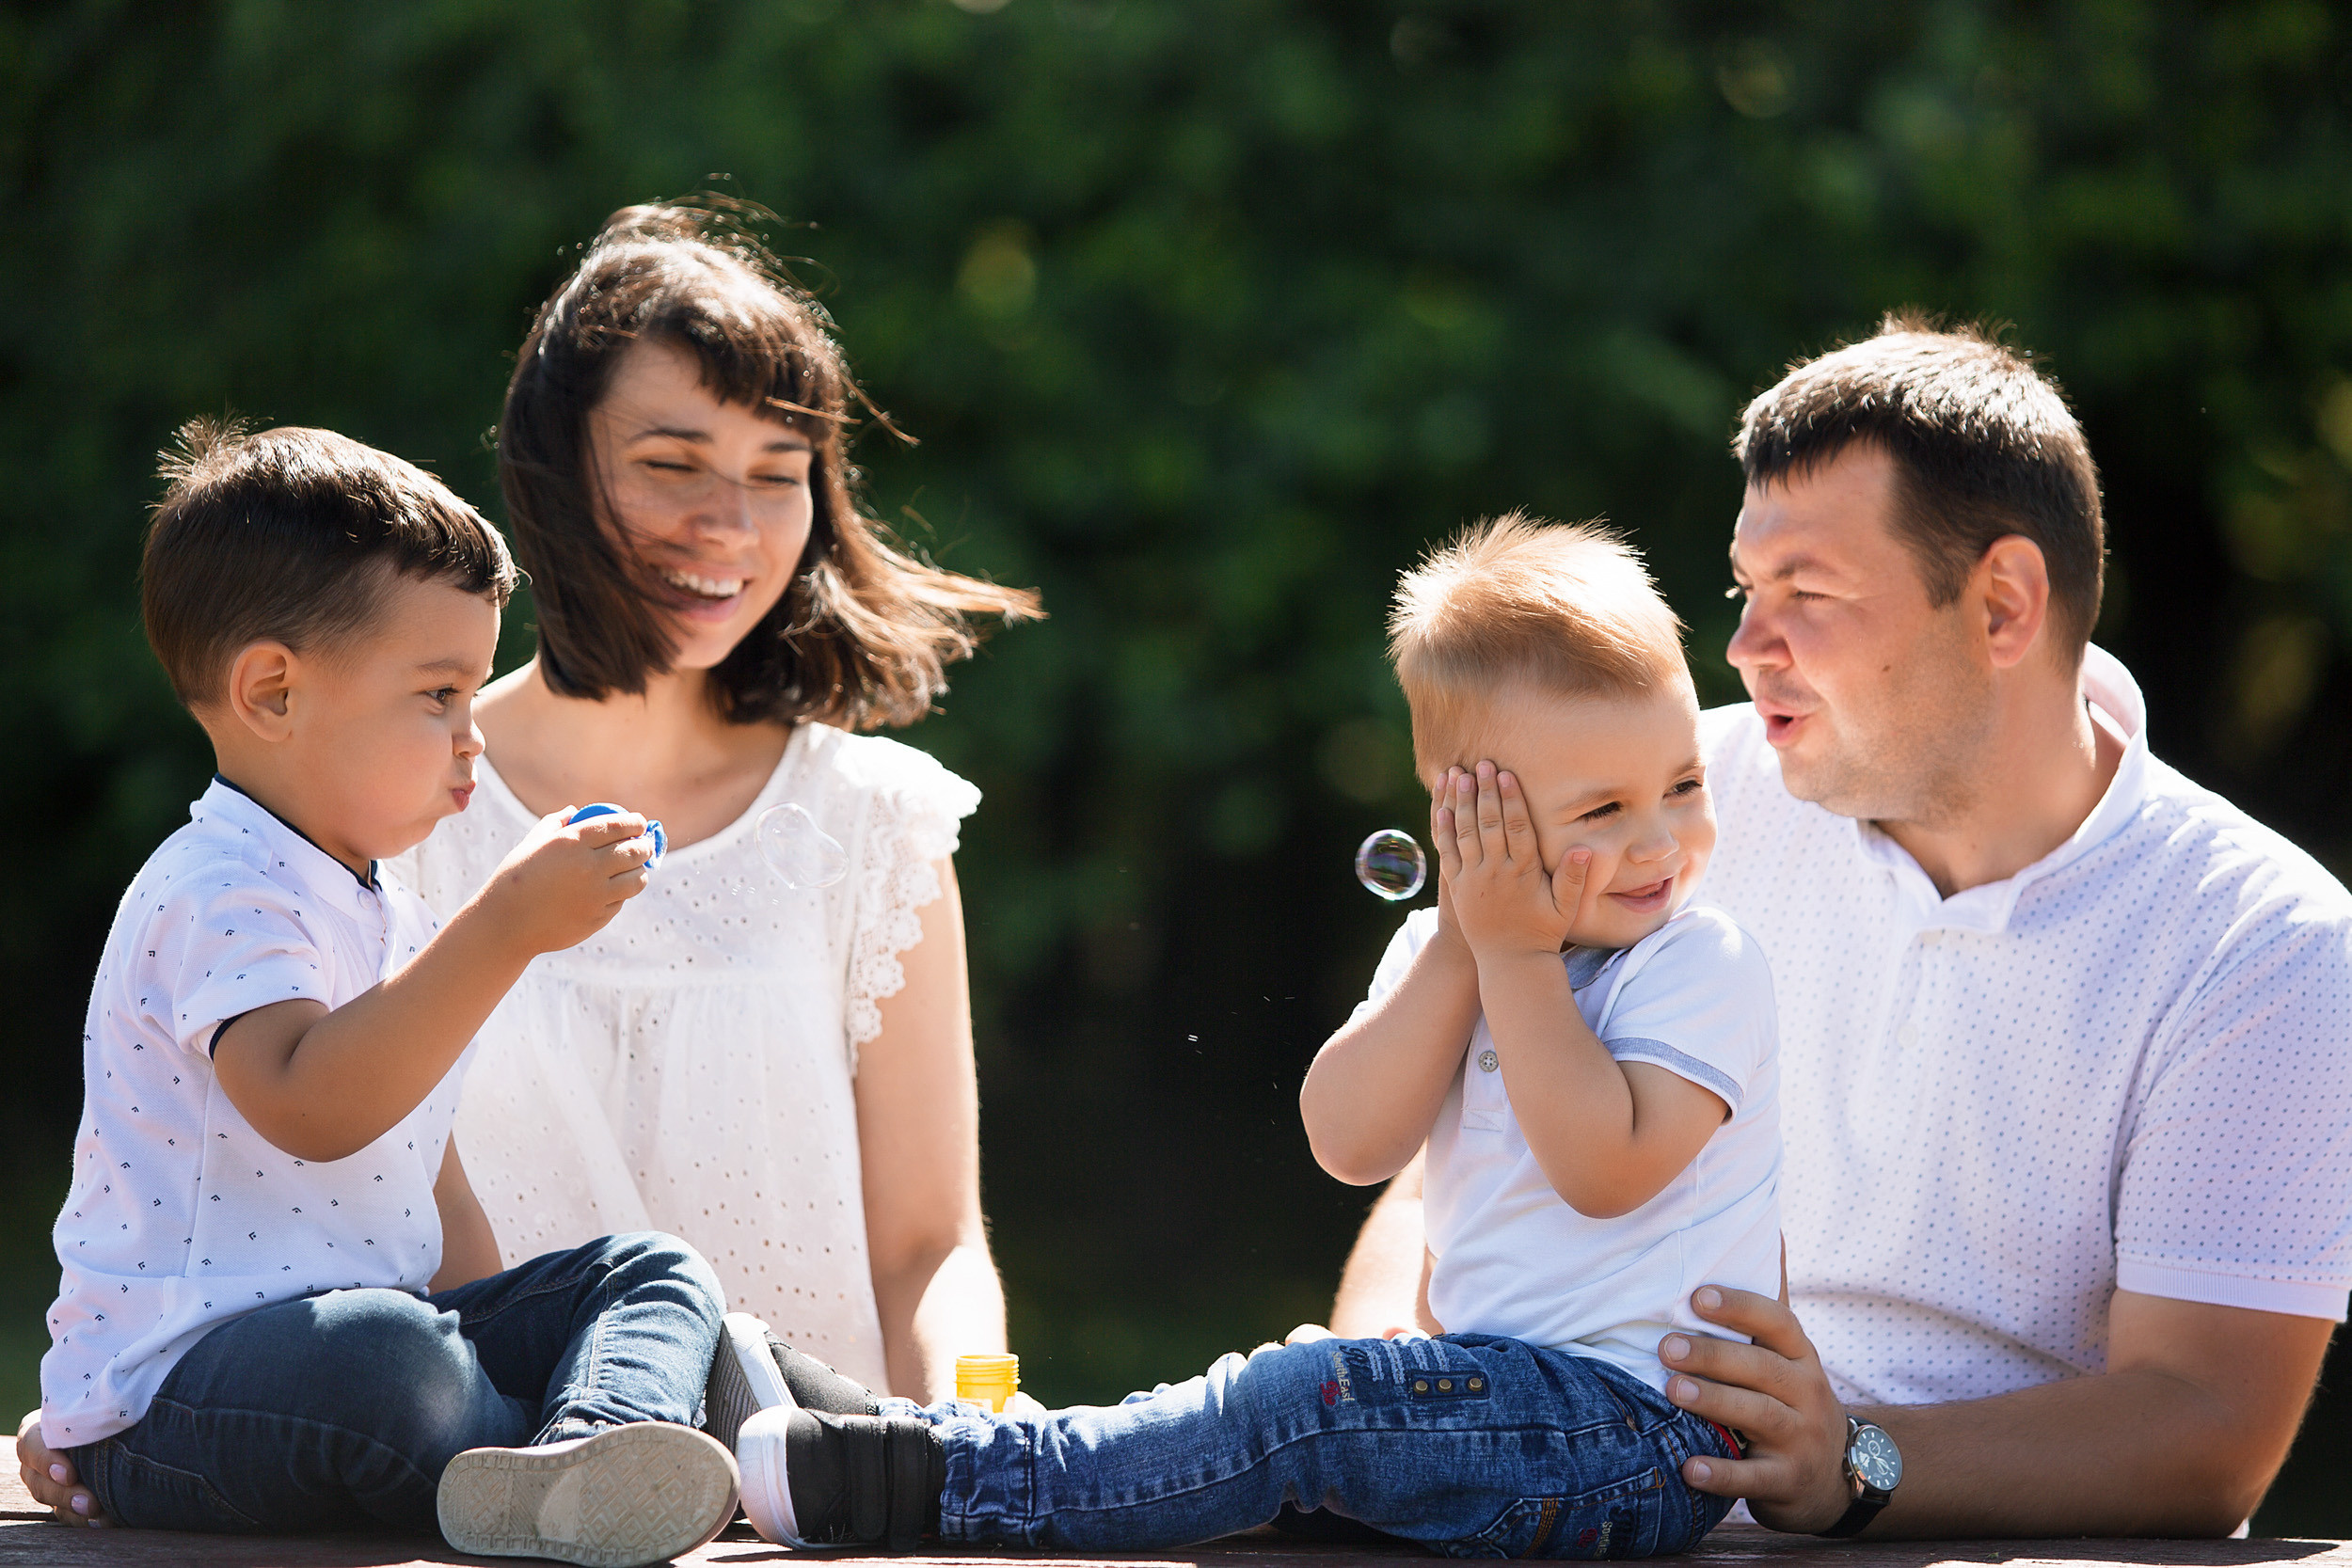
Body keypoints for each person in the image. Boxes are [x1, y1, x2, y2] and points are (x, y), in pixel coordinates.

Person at [20, 198, 1039, 1527]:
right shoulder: (372, 798)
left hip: (764, 1509)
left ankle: (665, 1442)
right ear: (556, 469)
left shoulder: (876, 818)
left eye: (780, 467)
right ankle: (571, 1464)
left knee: (720, 1333)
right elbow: (251, 1149)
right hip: (393, 1425)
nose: (729, 520)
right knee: (395, 1363)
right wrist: (135, 1393)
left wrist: (977, 1407)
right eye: (673, 461)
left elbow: (927, 1241)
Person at [1328, 316, 2352, 1538]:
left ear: (2005, 604)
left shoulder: (2263, 939)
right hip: (1586, 1516)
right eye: (1744, 591)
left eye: (1805, 593)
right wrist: (1383, 1396)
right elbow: (1450, 1171)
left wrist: (1854, 1460)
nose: (1746, 647)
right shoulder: (1665, 808)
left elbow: (2206, 1424)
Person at [695, 515, 1779, 1557]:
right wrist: (1465, 945)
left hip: (1642, 1433)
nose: (1659, 841)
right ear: (1468, 818)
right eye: (1602, 811)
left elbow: (1605, 1167)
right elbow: (1349, 1140)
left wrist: (1515, 960)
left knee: (1295, 1402)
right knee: (1305, 1394)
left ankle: (953, 1475)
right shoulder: (1453, 957)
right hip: (1502, 1407)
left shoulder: (1697, 960)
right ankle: (911, 1444)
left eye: (1683, 784)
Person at [36, 421, 741, 1566]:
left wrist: (510, 1329)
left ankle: (596, 1450)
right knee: (388, 1351)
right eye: (438, 695)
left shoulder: (387, 910)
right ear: (271, 690)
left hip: (368, 1367)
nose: (475, 740)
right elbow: (313, 1105)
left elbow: (429, 1191)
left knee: (645, 1267)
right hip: (184, 1391)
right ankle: (646, 1434)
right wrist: (505, 926)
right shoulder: (220, 884)